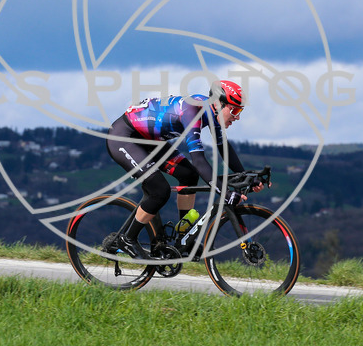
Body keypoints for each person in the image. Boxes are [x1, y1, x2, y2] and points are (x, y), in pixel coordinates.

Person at [105, 79, 263, 258]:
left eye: (240, 111)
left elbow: (224, 149)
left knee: (189, 175)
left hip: (150, 141)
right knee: (159, 190)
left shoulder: (211, 113)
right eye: (234, 110)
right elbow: (199, 160)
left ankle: (183, 238)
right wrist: (224, 192)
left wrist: (247, 176)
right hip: (125, 137)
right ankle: (127, 239)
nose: (237, 116)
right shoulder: (193, 112)